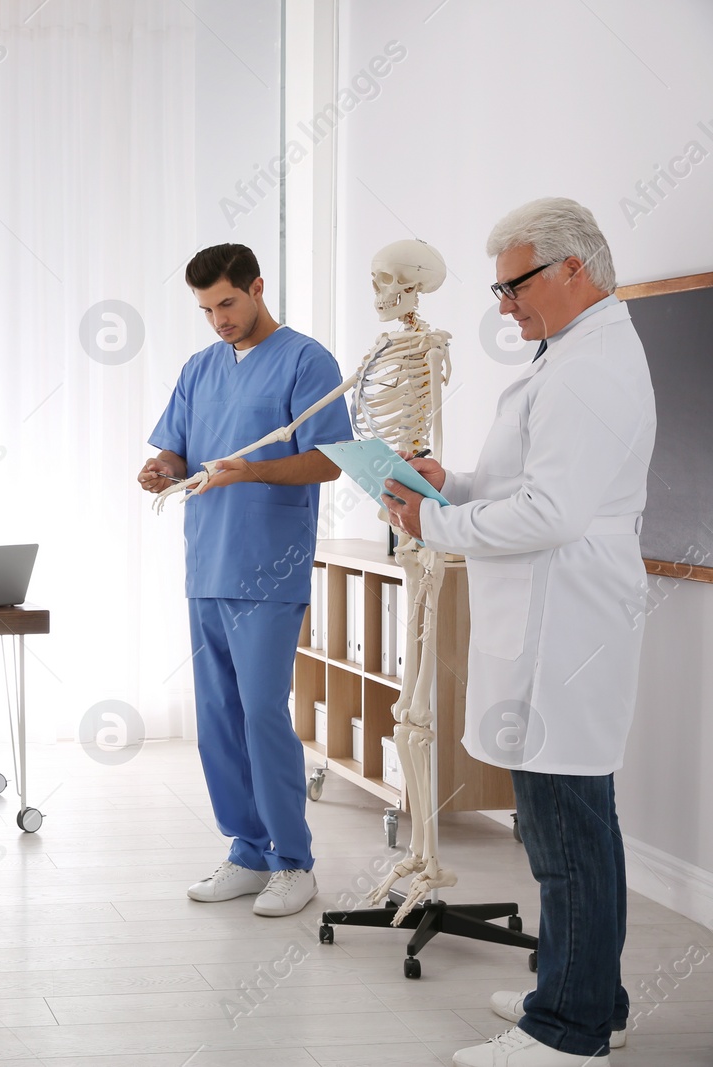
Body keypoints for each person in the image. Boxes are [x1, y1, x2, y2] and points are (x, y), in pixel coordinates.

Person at [382, 198, 654, 1067]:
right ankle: (587, 999)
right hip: (554, 617)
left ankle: (566, 1032)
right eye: (498, 289)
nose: (503, 305)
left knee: (565, 830)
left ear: (575, 268)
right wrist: (451, 484)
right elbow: (522, 483)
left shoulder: (589, 368)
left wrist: (434, 527)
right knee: (567, 823)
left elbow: (551, 510)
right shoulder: (570, 355)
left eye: (515, 285)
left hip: (566, 626)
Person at [137, 243, 352, 918]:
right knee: (218, 721)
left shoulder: (306, 360)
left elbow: (328, 461)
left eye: (227, 303)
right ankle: (247, 848)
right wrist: (161, 469)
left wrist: (252, 471)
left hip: (269, 566)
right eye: (205, 309)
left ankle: (293, 860)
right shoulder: (198, 369)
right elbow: (176, 446)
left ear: (257, 287)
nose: (218, 320)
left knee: (261, 712)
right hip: (207, 561)